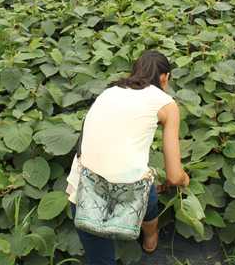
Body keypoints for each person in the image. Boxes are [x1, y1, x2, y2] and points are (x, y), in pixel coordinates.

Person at [65, 50, 190, 265]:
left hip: (84, 187)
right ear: (164, 77)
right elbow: (174, 175)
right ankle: (150, 238)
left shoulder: (110, 91)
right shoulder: (167, 104)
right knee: (144, 184)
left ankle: (146, 237)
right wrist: (183, 180)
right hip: (129, 187)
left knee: (100, 259)